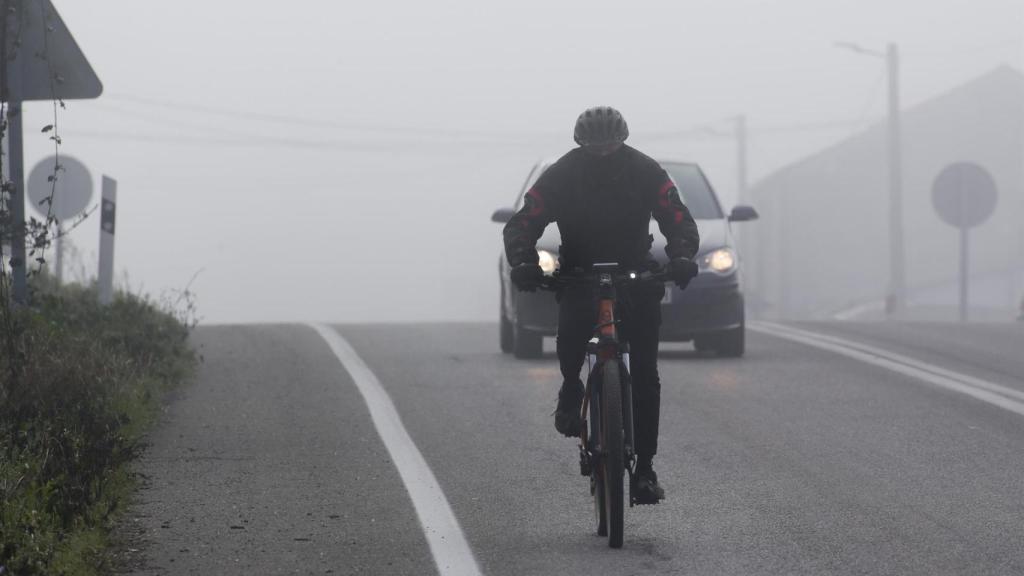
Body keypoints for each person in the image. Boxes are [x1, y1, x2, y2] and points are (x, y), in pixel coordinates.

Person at [503, 106, 700, 504]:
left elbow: (677, 217)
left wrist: (681, 255)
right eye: (595, 147)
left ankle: (644, 469)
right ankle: (571, 386)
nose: (604, 152)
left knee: (645, 374)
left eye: (610, 145)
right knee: (571, 341)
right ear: (581, 144)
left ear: (622, 140)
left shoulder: (646, 170)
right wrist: (523, 261)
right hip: (580, 273)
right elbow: (524, 221)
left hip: (635, 273)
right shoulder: (561, 173)